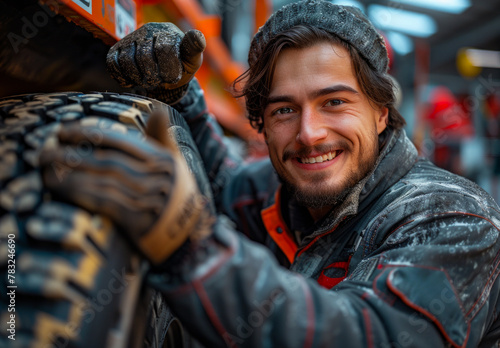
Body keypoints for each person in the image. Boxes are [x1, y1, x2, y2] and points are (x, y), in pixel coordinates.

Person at [41, 0, 500, 346]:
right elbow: (219, 187)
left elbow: (370, 335)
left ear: (381, 113)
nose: (309, 133)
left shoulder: (453, 219)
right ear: (261, 123)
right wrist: (180, 96)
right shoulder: (279, 192)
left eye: (334, 102)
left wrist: (191, 249)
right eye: (284, 110)